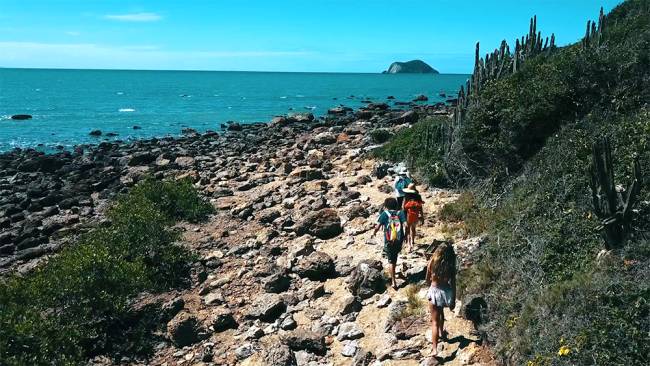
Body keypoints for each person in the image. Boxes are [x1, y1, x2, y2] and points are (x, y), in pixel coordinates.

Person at [425, 243, 457, 357]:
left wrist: (430, 286)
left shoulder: (432, 261)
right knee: (441, 313)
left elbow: (427, 277)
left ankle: (434, 348)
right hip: (444, 293)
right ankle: (442, 333)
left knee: (434, 321)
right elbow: (453, 283)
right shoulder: (450, 265)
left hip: (434, 291)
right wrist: (453, 299)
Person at [373, 197, 407, 289]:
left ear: (386, 206)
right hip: (398, 240)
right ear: (396, 205)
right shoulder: (400, 213)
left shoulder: (384, 214)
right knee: (395, 257)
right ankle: (395, 273)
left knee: (391, 260)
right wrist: (406, 235)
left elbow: (378, 226)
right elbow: (405, 225)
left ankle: (393, 281)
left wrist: (374, 233)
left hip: (389, 240)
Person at [402, 183, 424, 252]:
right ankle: (413, 241)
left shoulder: (406, 196)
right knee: (413, 228)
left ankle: (409, 244)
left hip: (408, 214)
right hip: (416, 214)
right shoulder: (418, 196)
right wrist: (422, 216)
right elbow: (420, 207)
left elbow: (403, 207)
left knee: (407, 228)